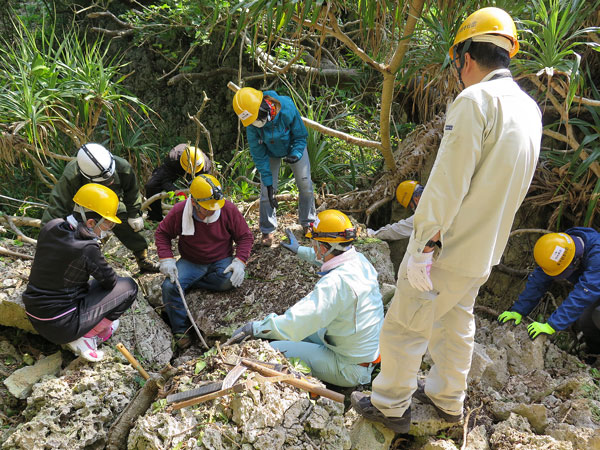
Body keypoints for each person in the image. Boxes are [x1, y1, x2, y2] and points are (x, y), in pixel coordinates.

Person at [351, 7, 542, 433]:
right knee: (456, 323)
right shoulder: (529, 110)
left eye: (457, 63)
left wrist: (422, 245)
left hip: (448, 246)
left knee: (405, 322)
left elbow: (447, 184)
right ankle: (446, 400)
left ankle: (389, 402)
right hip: (485, 248)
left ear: (466, 58)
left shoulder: (475, 101)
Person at [228, 209, 384, 387]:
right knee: (287, 333)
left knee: (272, 350)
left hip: (348, 368)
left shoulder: (335, 283)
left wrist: (255, 328)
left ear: (324, 248)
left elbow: (295, 323)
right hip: (361, 353)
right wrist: (300, 250)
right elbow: (330, 258)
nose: (313, 247)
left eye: (315, 243)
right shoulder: (360, 261)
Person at [23, 184, 138, 362]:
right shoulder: (87, 247)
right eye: (107, 223)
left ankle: (82, 329)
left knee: (86, 285)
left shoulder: (52, 226)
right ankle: (87, 337)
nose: (107, 229)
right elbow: (110, 282)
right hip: (62, 325)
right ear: (91, 222)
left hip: (35, 314)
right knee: (129, 287)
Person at [155, 174, 254, 348]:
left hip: (221, 258)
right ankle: (181, 330)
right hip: (191, 261)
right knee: (170, 287)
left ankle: (190, 284)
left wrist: (240, 261)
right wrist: (167, 259)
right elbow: (162, 233)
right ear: (194, 202)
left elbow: (245, 236)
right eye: (207, 208)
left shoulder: (227, 210)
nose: (212, 211)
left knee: (227, 281)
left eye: (214, 207)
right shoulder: (180, 211)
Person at [42, 143, 159, 273]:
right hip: (80, 207)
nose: (109, 181)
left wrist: (134, 214)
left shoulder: (122, 166)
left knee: (124, 217)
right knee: (72, 232)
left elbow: (132, 191)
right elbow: (57, 205)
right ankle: (72, 262)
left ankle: (142, 258)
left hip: (109, 204)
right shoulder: (73, 174)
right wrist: (48, 238)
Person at [232, 87, 316, 247]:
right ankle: (267, 229)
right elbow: (259, 155)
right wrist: (269, 184)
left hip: (293, 146)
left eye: (256, 119)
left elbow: (300, 135)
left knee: (305, 184)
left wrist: (296, 154)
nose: (256, 124)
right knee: (266, 191)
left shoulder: (287, 107)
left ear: (263, 107)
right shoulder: (251, 125)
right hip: (270, 152)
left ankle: (308, 222)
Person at [498, 230, 600, 352]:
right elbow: (540, 278)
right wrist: (518, 310)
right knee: (586, 320)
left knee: (596, 316)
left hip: (595, 286)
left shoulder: (597, 257)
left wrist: (552, 325)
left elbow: (584, 293)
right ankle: (594, 352)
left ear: (576, 261)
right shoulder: (561, 245)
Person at [144, 144, 213, 222]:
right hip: (177, 166)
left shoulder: (205, 165)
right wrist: (175, 191)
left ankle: (198, 218)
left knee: (203, 191)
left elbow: (206, 188)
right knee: (151, 186)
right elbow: (164, 181)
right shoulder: (174, 157)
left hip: (198, 173)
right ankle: (155, 218)